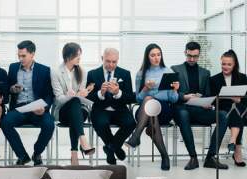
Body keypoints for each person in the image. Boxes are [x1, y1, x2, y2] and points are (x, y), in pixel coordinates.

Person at [172, 42, 228, 170]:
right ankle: (193, 158)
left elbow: (208, 94)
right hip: (182, 109)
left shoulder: (205, 73)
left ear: (199, 55)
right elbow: (172, 93)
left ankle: (210, 158)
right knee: (183, 113)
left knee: (223, 115)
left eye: (195, 56)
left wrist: (205, 102)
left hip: (199, 110)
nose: (192, 59)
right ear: (185, 52)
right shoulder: (175, 69)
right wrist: (186, 96)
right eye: (189, 55)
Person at [125, 43, 179, 171]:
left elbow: (173, 99)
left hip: (163, 110)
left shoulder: (168, 72)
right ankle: (165, 157)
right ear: (147, 57)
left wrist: (175, 90)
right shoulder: (140, 74)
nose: (156, 58)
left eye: (158, 55)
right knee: (149, 103)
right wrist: (145, 88)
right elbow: (138, 98)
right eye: (153, 55)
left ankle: (136, 136)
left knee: (150, 102)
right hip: (145, 109)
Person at [0, 40, 55, 166]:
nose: (20, 58)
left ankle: (37, 153)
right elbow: (8, 87)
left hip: (36, 108)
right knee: (5, 122)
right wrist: (12, 89)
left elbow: (49, 94)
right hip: (19, 108)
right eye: (19, 55)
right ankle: (22, 155)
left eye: (23, 56)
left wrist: (44, 107)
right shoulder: (13, 68)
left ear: (32, 54)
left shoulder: (44, 70)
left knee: (49, 124)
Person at [87, 48, 136, 165]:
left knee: (131, 123)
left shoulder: (125, 73)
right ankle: (116, 148)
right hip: (100, 109)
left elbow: (130, 97)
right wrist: (100, 93)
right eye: (108, 61)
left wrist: (118, 93)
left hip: (119, 109)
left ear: (118, 60)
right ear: (102, 58)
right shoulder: (92, 74)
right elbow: (88, 97)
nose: (111, 65)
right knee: (100, 123)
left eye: (114, 62)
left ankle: (110, 148)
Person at [51, 42, 95, 165]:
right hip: (63, 112)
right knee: (74, 105)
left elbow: (80, 94)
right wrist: (74, 96)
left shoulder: (82, 72)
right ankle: (81, 143)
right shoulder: (55, 72)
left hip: (79, 111)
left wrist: (83, 93)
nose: (80, 59)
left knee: (76, 107)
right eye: (77, 56)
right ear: (68, 56)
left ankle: (75, 152)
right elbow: (59, 98)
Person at [210, 49, 247, 167]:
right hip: (223, 110)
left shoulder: (243, 77)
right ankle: (237, 149)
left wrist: (240, 99)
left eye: (229, 64)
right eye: (223, 64)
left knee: (237, 107)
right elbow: (211, 99)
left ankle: (233, 141)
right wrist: (222, 97)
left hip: (241, 108)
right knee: (235, 111)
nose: (225, 66)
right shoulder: (214, 79)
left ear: (234, 64)